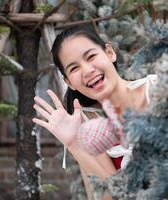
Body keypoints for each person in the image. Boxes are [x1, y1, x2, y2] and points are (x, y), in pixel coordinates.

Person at [32, 26, 157, 179]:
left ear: (110, 53)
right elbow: (109, 192)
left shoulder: (157, 90)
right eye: (74, 68)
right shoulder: (91, 127)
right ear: (69, 82)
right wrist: (73, 143)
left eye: (91, 57)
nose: (87, 70)